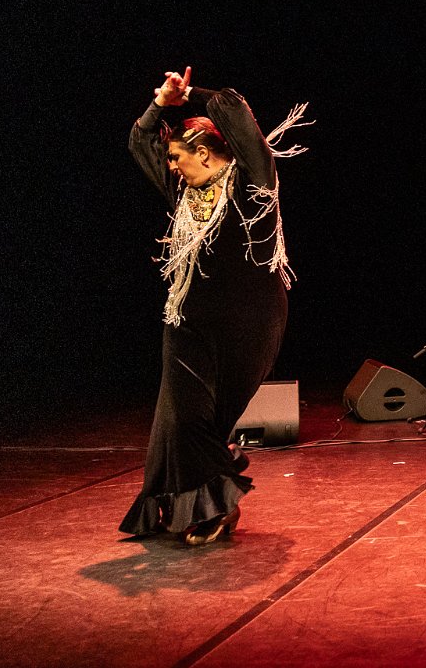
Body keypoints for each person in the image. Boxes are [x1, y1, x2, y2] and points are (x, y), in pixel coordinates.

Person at [121, 67, 306, 545]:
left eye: (178, 157)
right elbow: (140, 141)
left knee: (208, 421)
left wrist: (191, 95)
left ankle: (211, 490)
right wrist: (161, 105)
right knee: (177, 419)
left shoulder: (253, 183)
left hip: (250, 324)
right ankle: (209, 507)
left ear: (204, 153)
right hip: (187, 322)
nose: (171, 166)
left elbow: (235, 112)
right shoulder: (183, 190)